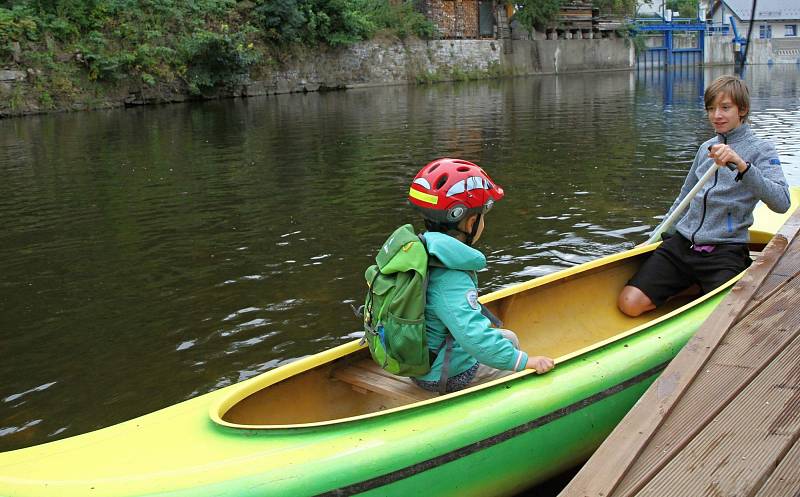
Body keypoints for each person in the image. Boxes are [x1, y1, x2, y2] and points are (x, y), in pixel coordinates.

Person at [618, 75, 790, 317]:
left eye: (725, 107)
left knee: (720, 316)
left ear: (743, 110)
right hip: (683, 244)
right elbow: (684, 199)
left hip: (725, 250)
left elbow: (782, 202)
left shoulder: (762, 150)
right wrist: (655, 237)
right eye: (711, 108)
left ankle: (703, 286)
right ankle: (692, 286)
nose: (716, 115)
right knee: (629, 304)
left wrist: (742, 165)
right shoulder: (705, 149)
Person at [407, 157, 555, 393]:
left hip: (421, 360)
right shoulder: (449, 276)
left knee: (509, 339)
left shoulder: (419, 253)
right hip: (442, 375)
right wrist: (526, 362)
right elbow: (473, 337)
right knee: (518, 362)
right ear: (471, 222)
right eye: (483, 217)